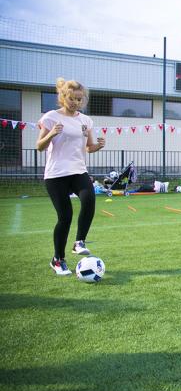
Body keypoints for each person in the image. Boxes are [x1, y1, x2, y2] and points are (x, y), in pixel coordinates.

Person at [36, 78, 105, 275]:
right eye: (72, 99)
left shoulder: (85, 121)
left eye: (79, 100)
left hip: (78, 170)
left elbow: (89, 147)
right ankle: (58, 259)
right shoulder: (50, 117)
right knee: (65, 217)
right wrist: (51, 135)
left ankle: (79, 242)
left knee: (89, 198)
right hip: (56, 174)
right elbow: (39, 146)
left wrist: (98, 146)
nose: (76, 103)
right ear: (64, 97)